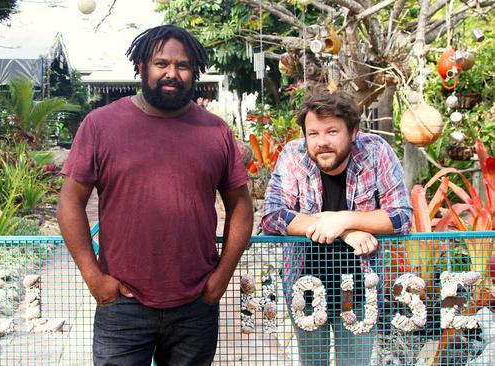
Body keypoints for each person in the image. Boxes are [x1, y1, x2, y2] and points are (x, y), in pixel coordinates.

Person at [57, 24, 253, 366]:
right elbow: (70, 202)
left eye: (183, 65)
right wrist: (94, 278)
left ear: (195, 72)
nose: (172, 74)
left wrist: (222, 278)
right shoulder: (100, 125)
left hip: (195, 304)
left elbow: (241, 207)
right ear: (141, 67)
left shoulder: (215, 131)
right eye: (161, 64)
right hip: (122, 304)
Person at [261, 89, 412, 365]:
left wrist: (346, 219)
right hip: (304, 288)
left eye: (332, 132)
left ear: (353, 132)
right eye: (313, 134)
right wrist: (342, 229)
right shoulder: (293, 156)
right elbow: (271, 216)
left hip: (359, 290)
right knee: (313, 362)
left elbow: (401, 217)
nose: (322, 142)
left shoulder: (375, 152)